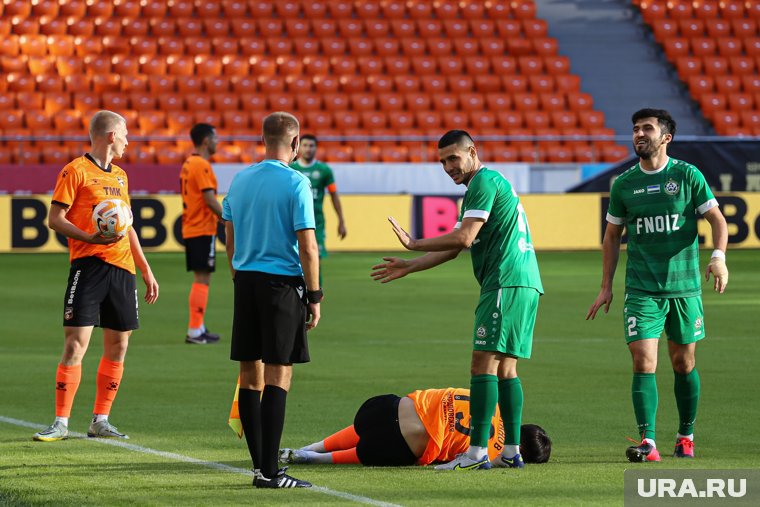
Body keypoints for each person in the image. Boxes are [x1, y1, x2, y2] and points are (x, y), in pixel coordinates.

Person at [371, 130, 544, 470]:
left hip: (504, 283)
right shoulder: (489, 183)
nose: (448, 166)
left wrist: (414, 244)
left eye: (453, 158)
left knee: (482, 364)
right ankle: (510, 451)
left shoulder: (482, 182)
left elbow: (463, 238)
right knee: (506, 368)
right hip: (524, 283)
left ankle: (477, 452)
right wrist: (410, 266)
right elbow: (455, 249)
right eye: (442, 162)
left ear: (472, 152)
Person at [586, 108, 728, 463]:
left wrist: (718, 257)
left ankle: (686, 434)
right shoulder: (624, 184)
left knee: (683, 363)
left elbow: (717, 219)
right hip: (642, 290)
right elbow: (612, 236)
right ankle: (648, 442)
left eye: (647, 128)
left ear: (666, 137)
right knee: (642, 360)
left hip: (684, 289)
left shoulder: (687, 175)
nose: (639, 134)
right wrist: (606, 286)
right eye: (635, 129)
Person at [33, 110, 159, 442]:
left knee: (119, 344)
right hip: (88, 266)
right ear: (111, 136)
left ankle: (100, 419)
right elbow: (54, 219)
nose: (129, 140)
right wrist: (89, 237)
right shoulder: (75, 171)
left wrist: (145, 269)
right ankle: (60, 422)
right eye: (126, 134)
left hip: (122, 270)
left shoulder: (121, 176)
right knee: (76, 343)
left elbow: (127, 226)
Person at [222, 112, 321, 489]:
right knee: (279, 373)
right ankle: (270, 471)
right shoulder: (297, 183)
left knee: (250, 375)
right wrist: (314, 295)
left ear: (263, 140)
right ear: (295, 144)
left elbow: (229, 235)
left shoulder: (240, 179)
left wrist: (238, 274)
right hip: (282, 286)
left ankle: (259, 466)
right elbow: (308, 246)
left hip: (245, 282)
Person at [279, 387, 551, 467]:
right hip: (395, 445)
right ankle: (318, 458)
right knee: (367, 451)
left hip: (380, 407)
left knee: (362, 428)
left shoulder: (493, 402)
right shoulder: (493, 453)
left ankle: (312, 447)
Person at [179, 123, 222, 345]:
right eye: (215, 138)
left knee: (202, 277)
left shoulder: (188, 163)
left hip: (192, 226)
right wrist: (228, 218)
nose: (218, 142)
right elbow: (209, 199)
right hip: (202, 228)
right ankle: (195, 330)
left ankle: (198, 326)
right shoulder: (201, 165)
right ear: (206, 140)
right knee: (202, 279)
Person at [289, 135, 347, 263]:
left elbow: (334, 195)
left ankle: (316, 284)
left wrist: (341, 221)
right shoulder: (291, 169)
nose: (308, 149)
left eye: (311, 146)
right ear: (299, 147)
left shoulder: (324, 170)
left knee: (316, 257)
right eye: (305, 145)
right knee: (295, 258)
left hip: (316, 222)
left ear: (316, 148)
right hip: (293, 221)